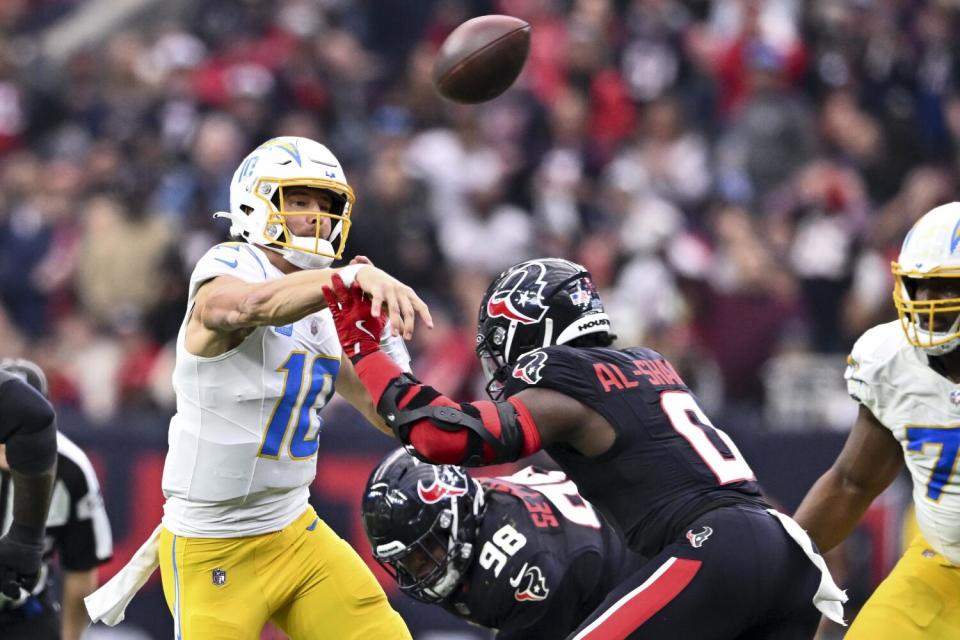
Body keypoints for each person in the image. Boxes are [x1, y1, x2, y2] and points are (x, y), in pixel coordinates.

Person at [322, 257, 847, 639]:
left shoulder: (566, 380)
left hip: (716, 549)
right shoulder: (645, 363)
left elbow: (443, 436)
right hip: (787, 554)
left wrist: (368, 350)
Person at [86, 136, 430, 639]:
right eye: (299, 201)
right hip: (212, 547)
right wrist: (342, 285)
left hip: (293, 529)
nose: (315, 216)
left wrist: (383, 344)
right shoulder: (230, 266)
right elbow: (246, 307)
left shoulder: (326, 298)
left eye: (324, 205)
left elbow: (388, 415)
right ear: (256, 201)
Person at [794, 202, 960, 638]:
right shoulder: (892, 360)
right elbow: (854, 481)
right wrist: (781, 562)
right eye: (918, 286)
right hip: (944, 568)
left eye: (943, 288)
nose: (926, 302)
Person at [361, 449, 648, 639]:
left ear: (454, 519)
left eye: (423, 556)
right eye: (405, 563)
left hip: (634, 585)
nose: (418, 573)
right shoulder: (475, 512)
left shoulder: (521, 570)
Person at [0, 358, 113, 640]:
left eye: (21, 430)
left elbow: (82, 567)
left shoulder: (71, 467)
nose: (9, 443)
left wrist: (71, 636)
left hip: (23, 613)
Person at [0, 357, 57, 627]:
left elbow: (33, 414)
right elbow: (33, 414)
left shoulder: (70, 466)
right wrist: (27, 540)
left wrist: (25, 540)